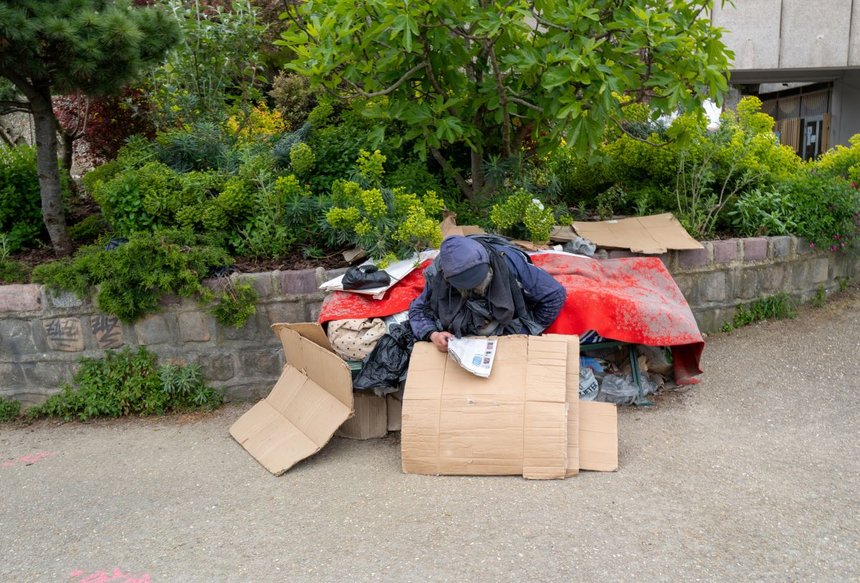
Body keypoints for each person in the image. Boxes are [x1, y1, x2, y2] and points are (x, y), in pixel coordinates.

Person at [409, 235, 567, 352]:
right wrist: (433, 334)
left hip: (507, 323)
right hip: (461, 329)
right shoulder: (438, 273)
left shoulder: (509, 263)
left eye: (478, 281)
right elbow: (417, 309)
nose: (474, 286)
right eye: (467, 285)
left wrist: (528, 330)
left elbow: (555, 295)